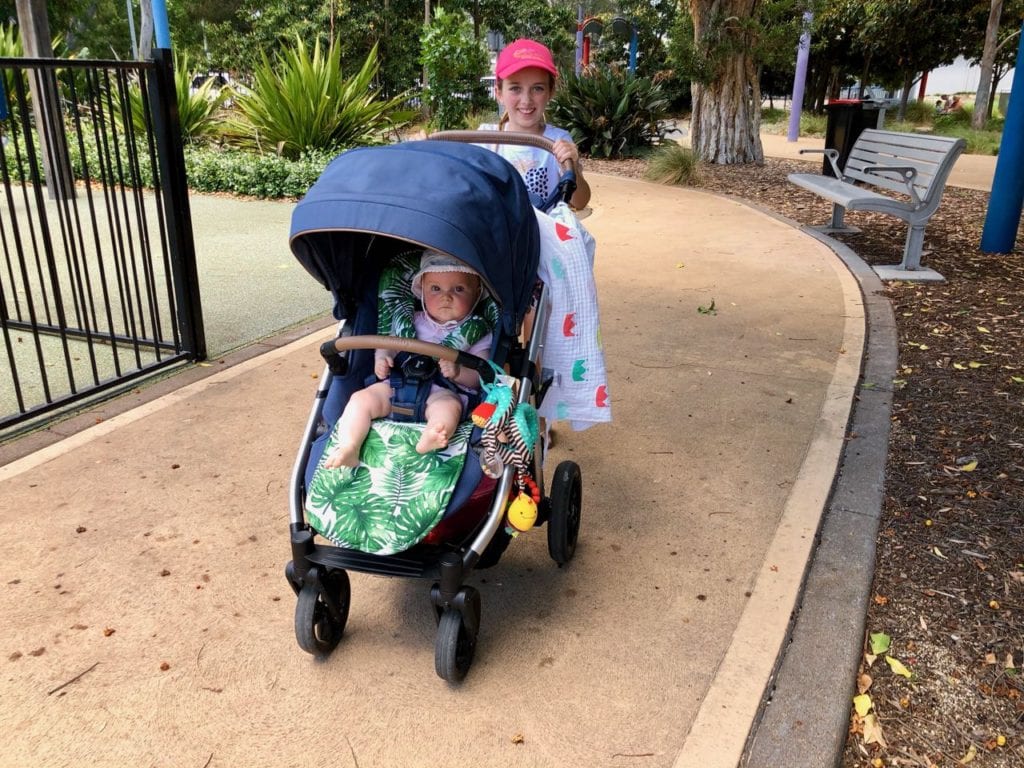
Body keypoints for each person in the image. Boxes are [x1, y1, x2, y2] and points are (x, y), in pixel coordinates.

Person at [323, 251, 492, 468]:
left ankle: (433, 434)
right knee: (360, 399)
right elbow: (388, 346)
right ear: (421, 290)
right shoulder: (410, 320)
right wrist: (382, 359)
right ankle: (349, 446)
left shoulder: (479, 331)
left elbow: (481, 376)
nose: (446, 296)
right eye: (435, 289)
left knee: (450, 408)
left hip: (443, 391)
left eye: (458, 289)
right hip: (395, 385)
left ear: (477, 293)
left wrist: (460, 372)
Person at [478, 38, 591, 210]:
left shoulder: (557, 141)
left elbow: (581, 202)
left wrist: (571, 167)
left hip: (543, 235)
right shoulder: (485, 139)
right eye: (515, 88)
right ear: (499, 93)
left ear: (550, 92)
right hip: (499, 234)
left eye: (537, 88)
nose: (526, 100)